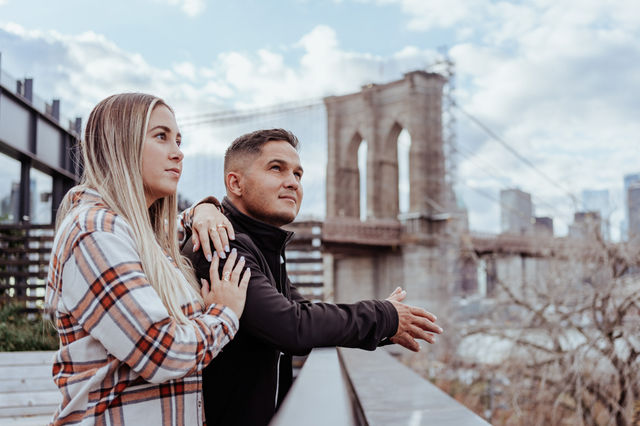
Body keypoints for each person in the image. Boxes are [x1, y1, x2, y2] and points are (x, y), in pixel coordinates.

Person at [182, 128, 444, 426]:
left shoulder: (260, 246)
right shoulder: (223, 243)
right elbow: (291, 326)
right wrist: (383, 315)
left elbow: (303, 316)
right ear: (235, 183)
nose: (292, 182)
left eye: (298, 174)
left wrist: (386, 326)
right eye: (276, 168)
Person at [45, 93, 250, 425]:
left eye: (179, 140)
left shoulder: (146, 236)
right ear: (120, 144)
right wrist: (224, 315)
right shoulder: (95, 231)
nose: (178, 153)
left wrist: (203, 209)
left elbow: (177, 224)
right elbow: (162, 352)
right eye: (161, 136)